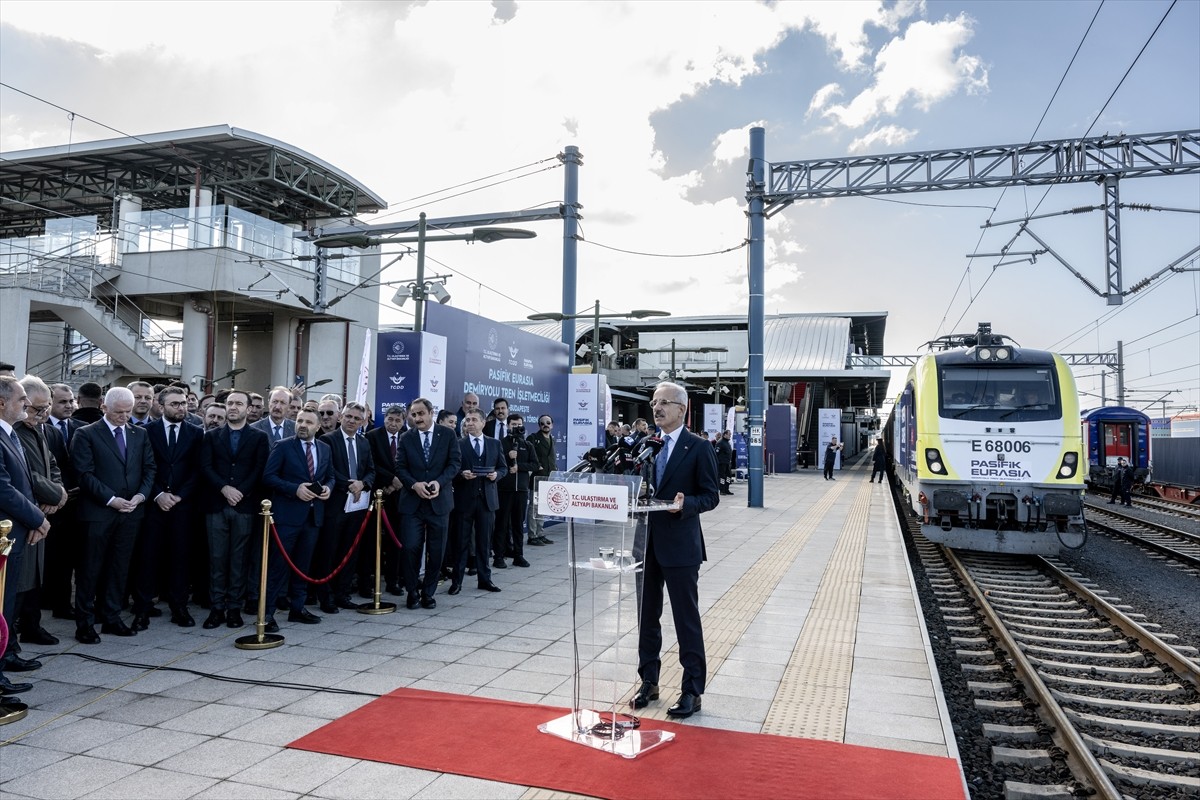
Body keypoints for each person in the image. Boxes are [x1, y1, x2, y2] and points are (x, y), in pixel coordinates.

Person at [632, 381, 720, 720]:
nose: (657, 408)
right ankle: (648, 681)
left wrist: (685, 504)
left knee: (686, 619)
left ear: (682, 409)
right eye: (654, 402)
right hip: (646, 542)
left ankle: (692, 690)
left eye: (664, 403)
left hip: (681, 546)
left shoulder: (698, 447)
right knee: (646, 617)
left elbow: (710, 496)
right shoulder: (646, 445)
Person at [71, 386, 156, 643]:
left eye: (128, 412)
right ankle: (84, 623)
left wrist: (141, 496)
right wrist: (111, 500)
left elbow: (149, 468)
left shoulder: (139, 434)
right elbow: (84, 474)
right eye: (119, 412)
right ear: (104, 407)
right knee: (90, 569)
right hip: (98, 513)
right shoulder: (86, 434)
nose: (124, 417)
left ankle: (112, 617)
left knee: (119, 568)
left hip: (131, 513)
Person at [132, 386, 203, 630]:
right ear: (161, 407)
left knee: (181, 558)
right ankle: (141, 610)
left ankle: (179, 608)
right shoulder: (145, 432)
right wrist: (159, 494)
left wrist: (179, 496)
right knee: (148, 558)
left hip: (184, 507)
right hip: (153, 506)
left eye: (183, 403)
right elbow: (143, 468)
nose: (181, 407)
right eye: (175, 404)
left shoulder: (196, 433)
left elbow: (197, 469)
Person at [199, 391, 269, 629]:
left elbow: (259, 468)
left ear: (248, 408)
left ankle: (234, 609)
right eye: (230, 403)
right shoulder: (210, 436)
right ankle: (217, 607)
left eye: (239, 403)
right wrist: (224, 489)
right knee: (217, 558)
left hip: (245, 506)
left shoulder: (259, 437)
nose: (233, 407)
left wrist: (240, 492)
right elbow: (205, 466)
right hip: (216, 504)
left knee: (239, 560)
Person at [9, 376, 65, 663]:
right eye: (35, 408)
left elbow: (52, 465)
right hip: (24, 516)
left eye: (45, 408)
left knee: (33, 579)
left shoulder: (39, 428)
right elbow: (24, 476)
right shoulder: (13, 430)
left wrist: (58, 492)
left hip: (38, 511)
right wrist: (54, 496)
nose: (42, 414)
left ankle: (30, 627)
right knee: (15, 585)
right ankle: (11, 643)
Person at [0, 375, 49, 696]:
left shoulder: (9, 435)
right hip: (4, 535)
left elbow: (24, 483)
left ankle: (3, 659)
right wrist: (37, 517)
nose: (26, 405)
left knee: (7, 605)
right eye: (21, 400)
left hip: (16, 533)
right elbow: (2, 488)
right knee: (0, 607)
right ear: (2, 404)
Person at [261, 409, 332, 631]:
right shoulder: (283, 446)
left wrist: (328, 489)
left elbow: (330, 475)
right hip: (286, 518)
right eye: (299, 420)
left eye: (308, 422)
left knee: (303, 565)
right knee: (278, 567)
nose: (302, 425)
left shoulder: (324, 448)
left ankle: (297, 608)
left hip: (312, 518)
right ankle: (267, 613)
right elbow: (268, 477)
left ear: (318, 427)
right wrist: (295, 489)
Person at [394, 397, 461, 609]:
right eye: (413, 415)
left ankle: (428, 593)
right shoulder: (406, 438)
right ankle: (412, 590)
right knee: (411, 547)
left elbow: (454, 463)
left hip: (438, 502)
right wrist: (414, 485)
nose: (417, 418)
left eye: (421, 413)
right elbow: (400, 467)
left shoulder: (448, 434)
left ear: (431, 413)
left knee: (437, 549)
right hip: (412, 503)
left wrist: (438, 483)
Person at [315, 402, 375, 612]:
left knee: (350, 551)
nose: (352, 421)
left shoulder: (364, 442)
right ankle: (326, 597)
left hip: (356, 506)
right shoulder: (327, 440)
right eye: (348, 416)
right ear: (341, 417)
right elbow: (327, 470)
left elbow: (370, 470)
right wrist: (350, 484)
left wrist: (363, 483)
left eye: (357, 419)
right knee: (329, 551)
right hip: (335, 505)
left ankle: (343, 593)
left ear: (363, 421)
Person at [450, 409, 507, 594]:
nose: (470, 423)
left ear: (483, 423)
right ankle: (456, 582)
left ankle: (485, 579)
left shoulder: (494, 444)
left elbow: (503, 468)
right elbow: (450, 470)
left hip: (487, 501)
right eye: (467, 420)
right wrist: (461, 474)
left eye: (474, 420)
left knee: (484, 543)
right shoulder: (458, 444)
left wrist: (496, 475)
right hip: (464, 500)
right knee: (461, 543)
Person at [367, 405, 409, 595]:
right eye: (390, 419)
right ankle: (368, 581)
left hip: (401, 496)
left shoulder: (408, 436)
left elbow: (410, 463)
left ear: (404, 421)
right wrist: (390, 480)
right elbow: (371, 463)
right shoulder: (372, 436)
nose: (393, 424)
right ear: (384, 419)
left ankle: (393, 581)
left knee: (397, 540)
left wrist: (398, 483)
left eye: (398, 420)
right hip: (378, 494)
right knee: (372, 540)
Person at [496, 413, 536, 568]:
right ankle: (499, 556)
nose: (516, 427)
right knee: (501, 524)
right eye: (513, 424)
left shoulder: (527, 445)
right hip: (504, 490)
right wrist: (507, 457)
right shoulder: (500, 443)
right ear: (507, 426)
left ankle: (518, 555)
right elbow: (495, 463)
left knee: (518, 524)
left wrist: (520, 467)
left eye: (519, 425)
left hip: (521, 490)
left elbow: (535, 464)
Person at [526, 414, 556, 546]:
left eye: (548, 423)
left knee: (542, 506)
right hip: (536, 477)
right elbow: (527, 456)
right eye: (542, 423)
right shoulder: (533, 438)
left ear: (552, 425)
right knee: (534, 506)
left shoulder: (552, 439)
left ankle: (540, 533)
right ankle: (532, 535)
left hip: (548, 477)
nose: (546, 425)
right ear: (539, 425)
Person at [714, 429, 734, 495]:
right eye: (729, 434)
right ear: (725, 435)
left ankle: (726, 488)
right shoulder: (720, 442)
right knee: (722, 477)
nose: (730, 436)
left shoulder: (727, 442)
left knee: (729, 476)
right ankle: (722, 490)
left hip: (727, 462)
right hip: (721, 463)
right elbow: (716, 453)